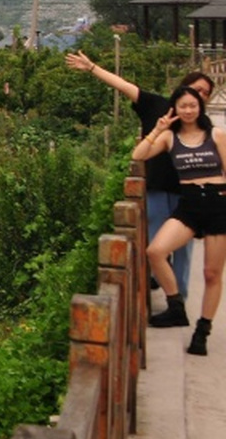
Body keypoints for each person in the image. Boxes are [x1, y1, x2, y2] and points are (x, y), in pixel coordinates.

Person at [65, 51, 213, 301]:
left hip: (187, 193)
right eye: (196, 89)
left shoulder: (202, 123)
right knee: (156, 244)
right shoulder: (155, 105)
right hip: (156, 188)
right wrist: (92, 68)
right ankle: (164, 288)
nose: (199, 95)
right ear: (183, 87)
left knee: (183, 249)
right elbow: (123, 85)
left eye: (205, 93)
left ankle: (178, 301)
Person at [134, 85, 226, 354]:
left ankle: (202, 331)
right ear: (175, 108)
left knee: (211, 273)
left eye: (193, 105)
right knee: (155, 251)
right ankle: (176, 307)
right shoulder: (170, 139)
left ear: (200, 107)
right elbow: (138, 155)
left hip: (218, 204)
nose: (188, 110)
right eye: (183, 106)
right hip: (189, 204)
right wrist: (158, 129)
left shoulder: (216, 135)